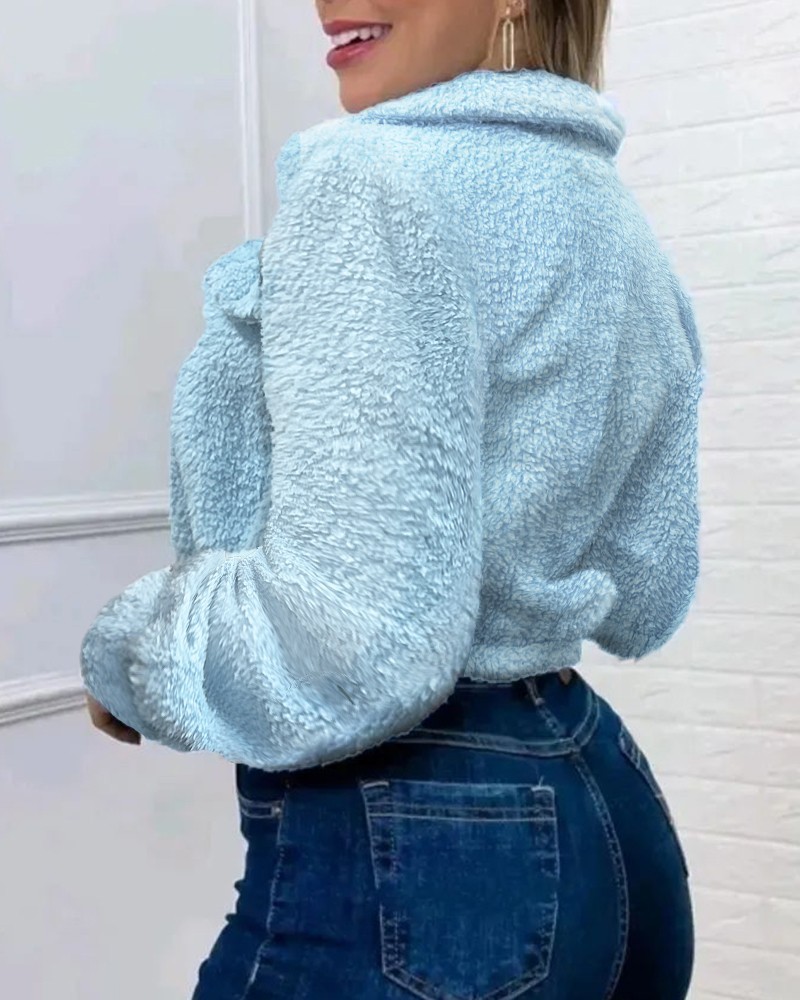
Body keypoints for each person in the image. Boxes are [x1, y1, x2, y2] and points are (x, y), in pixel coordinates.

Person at [82, 1, 704, 997]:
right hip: (608, 819)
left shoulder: (369, 178)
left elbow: (351, 646)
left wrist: (133, 654)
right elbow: (648, 586)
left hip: (419, 846)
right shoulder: (612, 218)